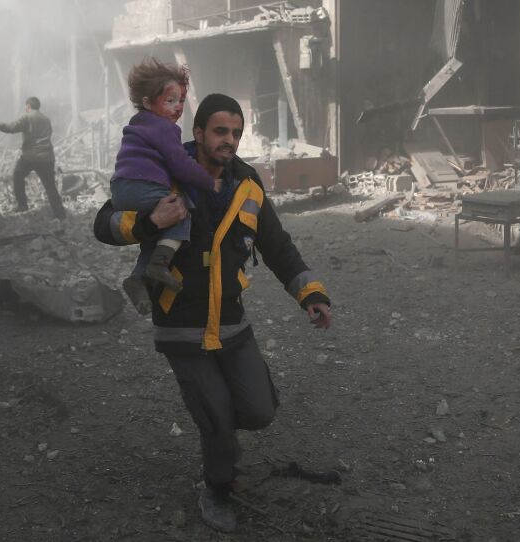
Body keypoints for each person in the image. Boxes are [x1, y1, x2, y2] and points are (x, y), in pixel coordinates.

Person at [93, 93, 333, 533]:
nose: (229, 141)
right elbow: (103, 222)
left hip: (231, 322)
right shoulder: (165, 172)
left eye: (236, 133)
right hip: (180, 325)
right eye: (221, 131)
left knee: (259, 411)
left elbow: (277, 245)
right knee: (217, 417)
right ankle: (217, 487)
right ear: (198, 133)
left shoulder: (247, 184)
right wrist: (148, 224)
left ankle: (220, 430)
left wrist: (310, 293)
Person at [111, 57, 220, 312]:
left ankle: (137, 279)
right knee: (180, 211)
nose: (178, 107)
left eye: (181, 100)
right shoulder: (164, 128)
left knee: (159, 233)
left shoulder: (138, 124)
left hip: (121, 188)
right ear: (148, 102)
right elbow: (180, 164)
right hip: (143, 186)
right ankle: (159, 266)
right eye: (170, 101)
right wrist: (209, 182)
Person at [0, 97, 66, 219]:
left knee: (17, 175)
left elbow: (10, 128)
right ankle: (60, 213)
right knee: (50, 186)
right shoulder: (46, 119)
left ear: (28, 106)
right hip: (47, 156)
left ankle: (22, 205)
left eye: (25, 107)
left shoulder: (27, 117)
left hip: (31, 156)